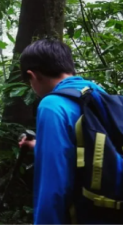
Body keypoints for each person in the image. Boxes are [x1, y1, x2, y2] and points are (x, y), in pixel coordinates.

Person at [19, 39, 108, 225]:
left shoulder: (52, 105)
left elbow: (52, 186)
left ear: (32, 75)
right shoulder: (98, 92)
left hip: (82, 214)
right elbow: (91, 149)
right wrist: (38, 146)